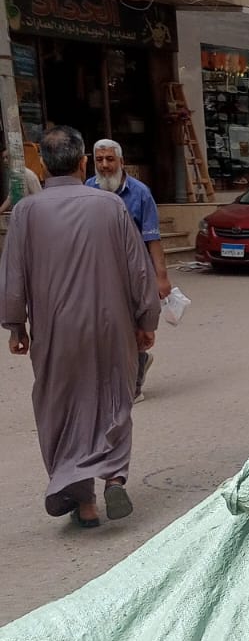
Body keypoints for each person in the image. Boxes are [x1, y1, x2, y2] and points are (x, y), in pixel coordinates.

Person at [1, 125, 159, 527]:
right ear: (83, 162)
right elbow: (138, 270)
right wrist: (146, 320)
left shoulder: (25, 212)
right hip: (112, 325)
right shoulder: (110, 206)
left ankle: (82, 500)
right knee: (115, 399)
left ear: (43, 164)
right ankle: (114, 477)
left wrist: (16, 326)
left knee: (61, 405)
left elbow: (13, 276)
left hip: (55, 330)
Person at [86, 138, 170, 399]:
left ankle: (135, 383)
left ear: (121, 162)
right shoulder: (88, 189)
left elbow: (152, 238)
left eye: (110, 159)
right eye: (99, 160)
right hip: (99, 272)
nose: (104, 165)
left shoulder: (140, 193)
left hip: (134, 272)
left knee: (136, 328)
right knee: (103, 327)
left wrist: (161, 277)